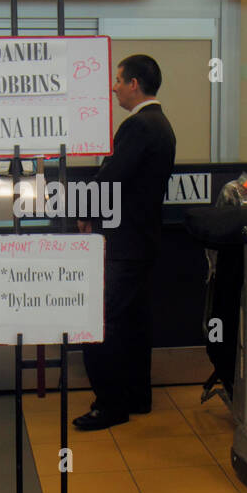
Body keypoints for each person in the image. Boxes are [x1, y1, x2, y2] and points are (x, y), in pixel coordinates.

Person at [73, 54, 177, 431]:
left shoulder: (138, 126)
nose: (114, 87)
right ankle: (136, 396)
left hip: (123, 244)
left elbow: (110, 178)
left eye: (118, 80)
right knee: (134, 323)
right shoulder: (162, 125)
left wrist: (82, 210)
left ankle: (110, 404)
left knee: (102, 322)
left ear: (135, 84)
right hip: (143, 241)